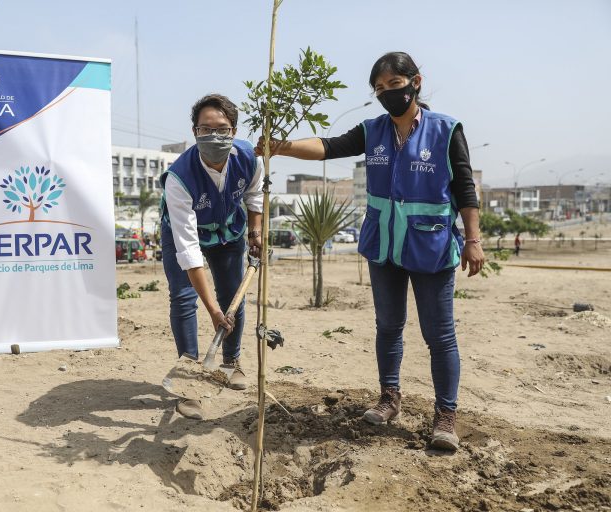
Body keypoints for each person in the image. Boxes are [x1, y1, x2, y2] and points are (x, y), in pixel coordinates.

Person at [256, 52, 485, 451]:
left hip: (430, 247)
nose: (386, 94)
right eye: (379, 89)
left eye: (394, 85)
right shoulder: (373, 130)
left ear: (416, 82)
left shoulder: (446, 130)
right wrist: (281, 147)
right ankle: (389, 397)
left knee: (440, 335)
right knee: (388, 326)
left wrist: (473, 239)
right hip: (384, 246)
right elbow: (329, 146)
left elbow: (465, 188)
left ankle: (445, 414)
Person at [160, 93, 264, 420]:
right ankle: (189, 373)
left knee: (235, 296)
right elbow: (190, 253)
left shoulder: (251, 158)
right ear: (195, 133)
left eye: (222, 128)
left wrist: (255, 233)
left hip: (229, 231)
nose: (214, 136)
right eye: (205, 129)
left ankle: (231, 363)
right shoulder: (180, 177)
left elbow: (255, 194)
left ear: (234, 130)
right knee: (182, 297)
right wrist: (214, 311)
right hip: (185, 231)